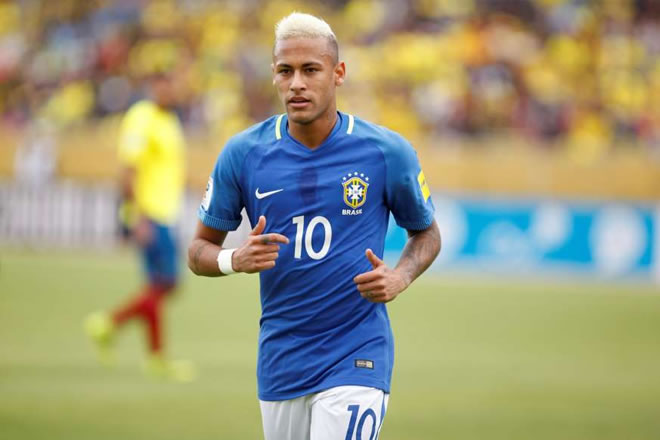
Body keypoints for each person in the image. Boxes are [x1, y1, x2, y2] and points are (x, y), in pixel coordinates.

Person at [188, 12, 440, 439]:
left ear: (338, 73)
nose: (296, 84)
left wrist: (400, 276)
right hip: (281, 359)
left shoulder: (386, 152)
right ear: (273, 74)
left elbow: (427, 233)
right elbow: (197, 252)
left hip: (357, 353)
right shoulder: (243, 154)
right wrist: (235, 259)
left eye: (310, 70)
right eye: (285, 71)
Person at [85, 69, 194, 382]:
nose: (169, 92)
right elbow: (128, 170)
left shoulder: (170, 121)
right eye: (163, 86)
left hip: (166, 211)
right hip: (150, 213)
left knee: (157, 285)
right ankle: (109, 323)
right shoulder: (141, 118)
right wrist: (137, 216)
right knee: (168, 282)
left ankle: (153, 356)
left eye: (172, 86)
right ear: (152, 87)